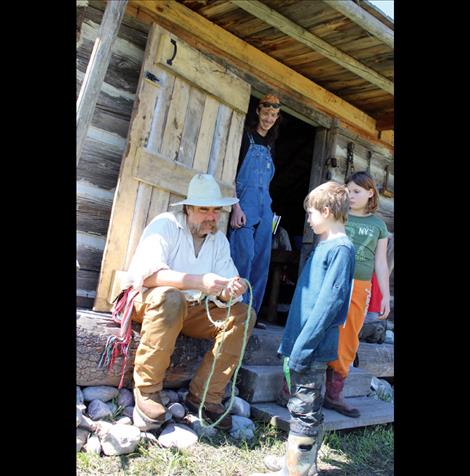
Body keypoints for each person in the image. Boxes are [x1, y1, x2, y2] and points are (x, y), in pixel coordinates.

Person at [120, 173, 256, 432]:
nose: (211, 217)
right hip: (151, 302)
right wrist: (198, 281)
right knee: (169, 296)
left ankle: (205, 395)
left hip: (191, 309)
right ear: (188, 208)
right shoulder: (166, 224)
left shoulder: (218, 240)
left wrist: (229, 290)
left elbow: (225, 292)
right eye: (204, 209)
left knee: (243, 314)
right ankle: (147, 391)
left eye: (216, 210)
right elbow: (147, 276)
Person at [251, 181, 355, 476]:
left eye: (311, 213)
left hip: (312, 347)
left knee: (306, 408)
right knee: (300, 404)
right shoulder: (323, 245)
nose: (308, 219)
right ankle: (295, 461)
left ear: (326, 210)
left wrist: (304, 347)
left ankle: (299, 469)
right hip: (301, 343)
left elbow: (329, 305)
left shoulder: (341, 249)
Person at [324, 171, 390, 418]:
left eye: (357, 192)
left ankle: (334, 394)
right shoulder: (339, 217)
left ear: (370, 193)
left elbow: (381, 262)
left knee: (349, 336)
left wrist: (384, 295)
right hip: (333, 281)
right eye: (348, 191)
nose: (350, 196)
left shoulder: (378, 225)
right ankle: (294, 390)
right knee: (321, 329)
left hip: (360, 286)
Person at [228, 93, 282, 329]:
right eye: (266, 113)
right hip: (244, 207)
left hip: (265, 209)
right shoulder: (245, 138)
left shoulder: (271, 145)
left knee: (262, 260)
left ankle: (252, 314)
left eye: (274, 115)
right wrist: (235, 206)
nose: (269, 118)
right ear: (258, 112)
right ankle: (235, 309)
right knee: (243, 256)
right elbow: (229, 174)